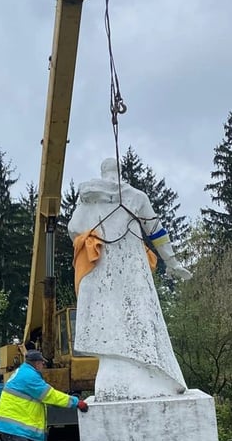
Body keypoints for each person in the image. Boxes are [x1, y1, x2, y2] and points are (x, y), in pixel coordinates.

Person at [68, 158, 191, 402]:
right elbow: (156, 231)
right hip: (131, 263)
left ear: (103, 173)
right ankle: (153, 373)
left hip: (101, 263)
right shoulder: (136, 196)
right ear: (121, 172)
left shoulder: (88, 197)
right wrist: (173, 263)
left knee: (107, 317)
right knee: (140, 315)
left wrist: (95, 231)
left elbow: (74, 227)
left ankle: (114, 376)